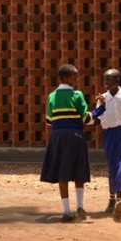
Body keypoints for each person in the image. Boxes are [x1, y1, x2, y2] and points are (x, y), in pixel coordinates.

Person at [40, 64, 101, 222]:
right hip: (75, 136)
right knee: (78, 169)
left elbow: (48, 120)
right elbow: (86, 119)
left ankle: (66, 211)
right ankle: (80, 206)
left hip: (58, 137)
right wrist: (101, 109)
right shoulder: (77, 95)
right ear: (67, 78)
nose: (77, 79)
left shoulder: (52, 96)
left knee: (62, 171)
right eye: (75, 77)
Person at [93, 68, 121, 217]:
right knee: (112, 167)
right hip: (109, 134)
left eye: (109, 79)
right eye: (104, 79)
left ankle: (119, 199)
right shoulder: (102, 98)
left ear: (118, 81)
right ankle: (112, 199)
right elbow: (97, 119)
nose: (105, 82)